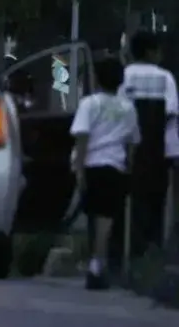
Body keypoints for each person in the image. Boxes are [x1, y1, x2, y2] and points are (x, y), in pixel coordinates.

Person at [70, 56, 140, 290]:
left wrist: (79, 169)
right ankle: (98, 264)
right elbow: (132, 142)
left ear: (97, 78)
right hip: (115, 166)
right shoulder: (128, 107)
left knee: (96, 217)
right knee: (106, 218)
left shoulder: (89, 104)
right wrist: (129, 168)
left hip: (92, 165)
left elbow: (82, 137)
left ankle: (96, 264)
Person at [119, 30, 179, 253]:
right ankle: (153, 250)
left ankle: (130, 249)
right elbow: (171, 112)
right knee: (157, 200)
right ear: (150, 51)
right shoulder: (166, 78)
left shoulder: (125, 76)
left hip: (129, 149)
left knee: (131, 201)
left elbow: (120, 111)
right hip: (160, 149)